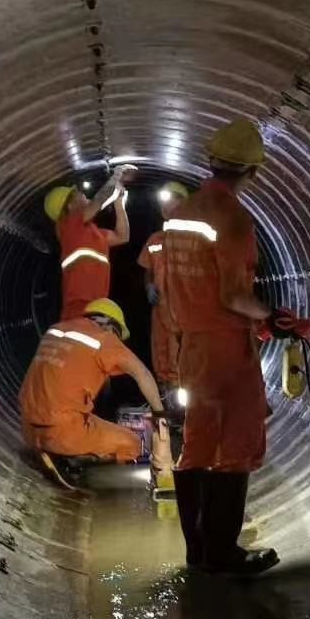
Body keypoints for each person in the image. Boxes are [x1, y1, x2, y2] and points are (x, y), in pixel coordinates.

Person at [162, 118, 310, 575]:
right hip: (227, 350)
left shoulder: (179, 216)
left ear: (211, 161)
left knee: (198, 444)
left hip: (192, 347)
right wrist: (272, 317)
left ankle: (198, 553)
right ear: (252, 171)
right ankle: (224, 552)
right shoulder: (233, 219)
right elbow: (232, 296)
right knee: (236, 445)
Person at [19, 298, 165, 488]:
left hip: (28, 429)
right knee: (133, 444)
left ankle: (47, 450)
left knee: (80, 416)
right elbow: (143, 374)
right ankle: (69, 460)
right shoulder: (105, 339)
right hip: (62, 433)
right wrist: (160, 412)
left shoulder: (56, 329)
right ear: (111, 326)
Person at [138, 181, 190, 471]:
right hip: (161, 312)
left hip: (187, 312)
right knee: (162, 359)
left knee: (188, 362)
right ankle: (171, 415)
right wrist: (148, 287)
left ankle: (190, 416)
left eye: (173, 200)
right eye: (164, 202)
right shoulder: (156, 239)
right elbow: (147, 271)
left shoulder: (195, 238)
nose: (168, 206)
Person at [44, 167, 134, 320]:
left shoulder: (91, 233)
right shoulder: (67, 227)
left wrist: (119, 203)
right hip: (78, 309)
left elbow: (122, 236)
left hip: (95, 309)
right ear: (69, 206)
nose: (83, 194)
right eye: (78, 194)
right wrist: (116, 177)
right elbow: (97, 202)